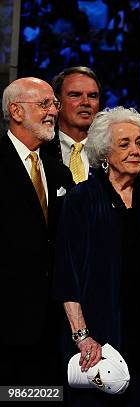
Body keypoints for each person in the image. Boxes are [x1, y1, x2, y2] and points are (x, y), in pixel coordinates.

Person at [53, 107, 140, 406]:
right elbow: (67, 274)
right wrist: (82, 335)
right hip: (96, 341)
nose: (135, 151)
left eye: (139, 143)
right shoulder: (82, 198)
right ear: (104, 152)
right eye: (124, 144)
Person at [0, 77, 73, 385]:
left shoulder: (59, 171)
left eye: (54, 104)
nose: (53, 112)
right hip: (5, 327)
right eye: (44, 104)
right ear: (16, 111)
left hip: (51, 328)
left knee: (44, 396)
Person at [45, 66, 140, 183]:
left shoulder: (112, 152)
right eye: (75, 95)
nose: (85, 102)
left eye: (92, 96)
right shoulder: (40, 150)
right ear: (57, 102)